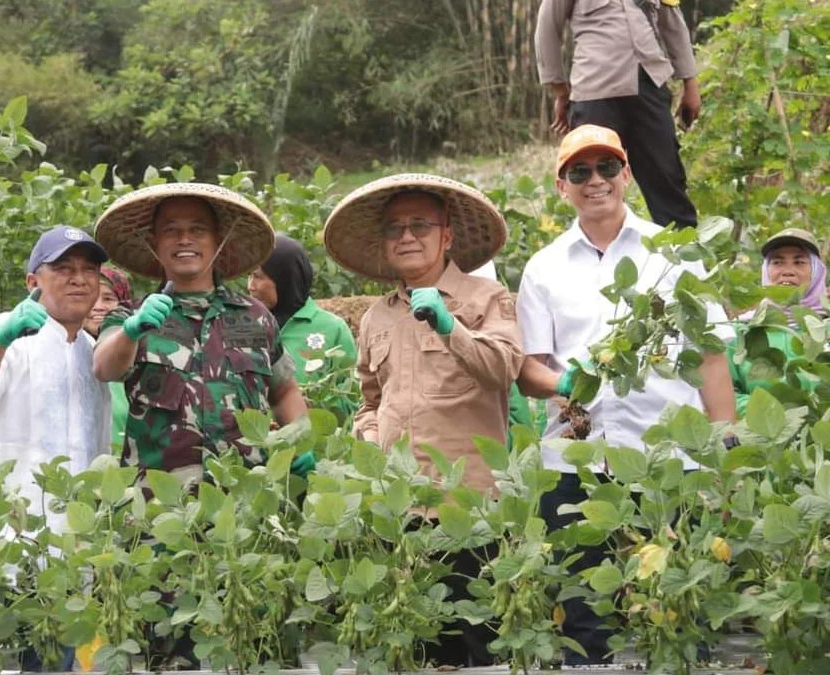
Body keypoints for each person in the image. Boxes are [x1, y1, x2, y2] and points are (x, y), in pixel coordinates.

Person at [515, 125, 736, 664]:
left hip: (670, 456)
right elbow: (528, 370)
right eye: (581, 172)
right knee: (584, 616)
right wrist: (565, 384)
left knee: (684, 604)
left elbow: (710, 355)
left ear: (627, 176)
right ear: (561, 184)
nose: (596, 181)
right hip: (576, 459)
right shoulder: (542, 267)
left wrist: (725, 441)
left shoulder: (674, 255)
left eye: (608, 168)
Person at [324, 173, 524, 667]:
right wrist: (368, 436)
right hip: (402, 512)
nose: (407, 236)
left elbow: (504, 369)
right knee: (421, 650)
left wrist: (448, 323)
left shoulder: (486, 299)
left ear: (447, 236)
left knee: (482, 650)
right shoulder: (375, 317)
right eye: (395, 229)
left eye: (420, 225)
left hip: (471, 511)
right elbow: (369, 399)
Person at [0, 226, 112, 670]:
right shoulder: (3, 333)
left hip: (61, 550)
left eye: (89, 270)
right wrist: (3, 336)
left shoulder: (93, 352)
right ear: (33, 281)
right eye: (63, 269)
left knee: (50, 664)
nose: (79, 279)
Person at [92, 183, 308, 489]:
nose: (185, 240)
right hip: (159, 510)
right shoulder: (130, 316)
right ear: (154, 242)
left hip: (243, 505)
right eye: (171, 231)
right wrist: (131, 332)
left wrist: (301, 441)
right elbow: (104, 368)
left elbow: (284, 391)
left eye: (198, 229)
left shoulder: (256, 317)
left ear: (218, 240)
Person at [535, 0, 700, 229]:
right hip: (595, 91)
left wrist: (690, 83)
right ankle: (599, 255)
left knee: (667, 179)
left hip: (649, 87)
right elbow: (547, 26)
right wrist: (560, 90)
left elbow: (673, 24)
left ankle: (683, 256)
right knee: (593, 181)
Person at [728, 227, 827, 416]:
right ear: (766, 271)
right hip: (756, 438)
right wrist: (776, 415)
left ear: (815, 272)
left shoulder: (826, 328)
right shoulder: (742, 330)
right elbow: (723, 392)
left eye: (799, 262)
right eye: (777, 262)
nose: (787, 271)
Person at [247, 233, 357, 379]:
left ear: (285, 280)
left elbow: (350, 394)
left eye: (258, 276)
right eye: (249, 275)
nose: (250, 286)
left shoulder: (333, 329)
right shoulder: (243, 326)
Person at [84, 264, 134, 451]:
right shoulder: (68, 354)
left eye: (108, 298)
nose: (98, 307)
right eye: (90, 298)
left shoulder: (138, 356)